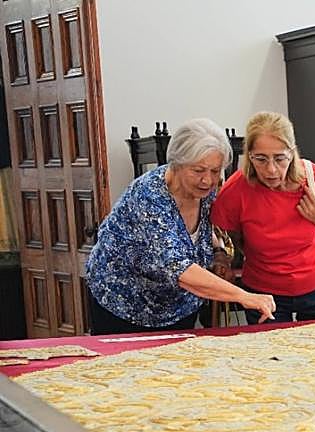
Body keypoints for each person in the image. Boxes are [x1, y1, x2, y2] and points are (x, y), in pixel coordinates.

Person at [85, 118, 276, 334]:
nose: (207, 180)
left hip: (178, 306)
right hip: (124, 303)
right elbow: (178, 269)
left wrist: (218, 251)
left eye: (215, 171)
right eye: (198, 170)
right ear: (176, 164)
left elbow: (198, 231)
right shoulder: (149, 197)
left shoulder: (207, 190)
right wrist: (244, 296)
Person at [212, 112, 315, 322]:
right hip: (263, 290)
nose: (271, 170)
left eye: (280, 158)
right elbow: (223, 230)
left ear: (292, 153)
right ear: (248, 155)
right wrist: (223, 257)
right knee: (268, 354)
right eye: (260, 159)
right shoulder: (236, 189)